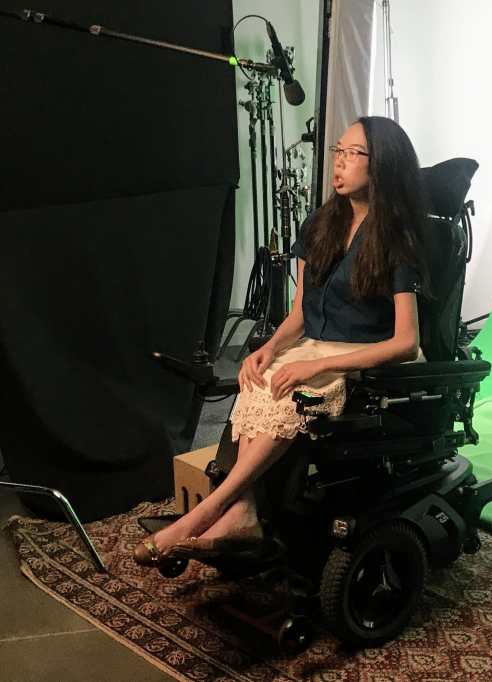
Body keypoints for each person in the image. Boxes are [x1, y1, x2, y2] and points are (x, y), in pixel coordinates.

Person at [135, 116, 430, 566]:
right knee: (256, 381)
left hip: (369, 360)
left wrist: (316, 366)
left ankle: (206, 514)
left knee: (291, 393)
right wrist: (270, 348)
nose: (340, 163)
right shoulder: (320, 226)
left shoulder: (396, 239)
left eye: (354, 155)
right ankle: (245, 511)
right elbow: (299, 314)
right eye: (338, 151)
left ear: (382, 166)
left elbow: (407, 342)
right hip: (317, 346)